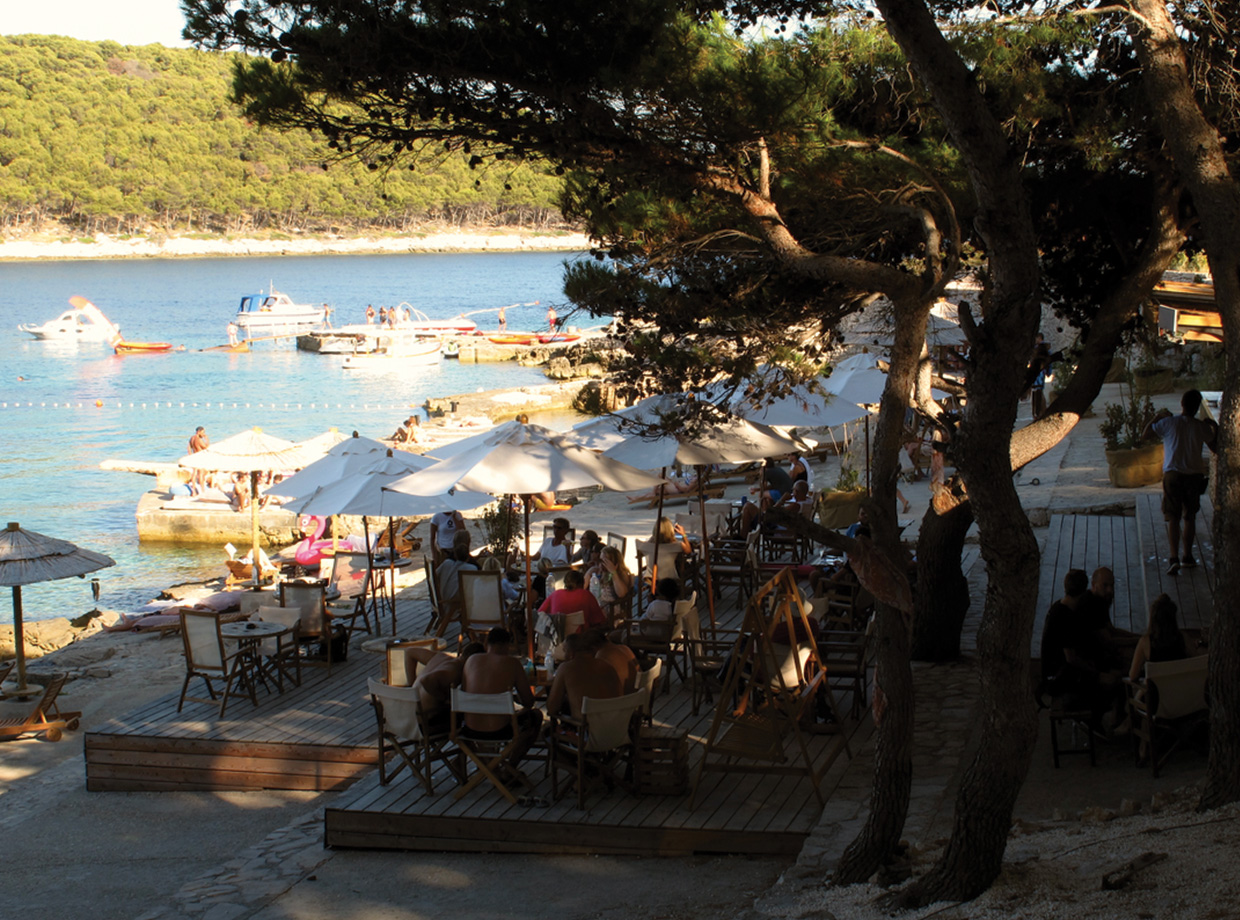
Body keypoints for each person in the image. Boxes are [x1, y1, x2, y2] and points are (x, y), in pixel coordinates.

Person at [1143, 389, 1218, 575]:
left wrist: (1157, 417)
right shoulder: (1200, 427)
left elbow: (1145, 435)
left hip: (1172, 475)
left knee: (1173, 517)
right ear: (1197, 406)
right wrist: (1214, 427)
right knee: (1189, 517)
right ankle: (1187, 556)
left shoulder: (1169, 423)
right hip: (1194, 477)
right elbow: (1216, 447)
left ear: (1182, 404)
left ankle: (1173, 557)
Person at [459, 627, 542, 771]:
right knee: (536, 716)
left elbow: (466, 693)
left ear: (486, 644)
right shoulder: (512, 664)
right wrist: (511, 699)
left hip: (469, 728)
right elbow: (529, 701)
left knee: (485, 712)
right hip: (500, 729)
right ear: (507, 646)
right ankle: (510, 766)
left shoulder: (471, 660)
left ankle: (488, 764)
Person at [402, 643, 484, 732]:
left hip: (407, 714)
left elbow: (410, 652)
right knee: (469, 719)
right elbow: (427, 680)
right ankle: (470, 743)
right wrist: (444, 698)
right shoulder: (454, 671)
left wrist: (411, 688)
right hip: (423, 721)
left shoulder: (441, 657)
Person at [546, 631, 623, 720]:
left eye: (564, 651)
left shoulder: (566, 668)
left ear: (571, 654)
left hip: (586, 729)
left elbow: (552, 709)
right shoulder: (607, 665)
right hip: (616, 726)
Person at [539, 569, 607, 629]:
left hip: (557, 638)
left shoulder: (555, 594)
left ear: (565, 583)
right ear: (582, 583)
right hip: (581, 639)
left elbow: (540, 614)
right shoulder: (586, 595)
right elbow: (600, 621)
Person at [587, 544, 634, 622]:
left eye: (605, 561)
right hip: (598, 606)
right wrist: (589, 573)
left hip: (612, 610)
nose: (601, 564)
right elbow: (583, 586)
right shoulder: (599, 572)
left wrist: (613, 572)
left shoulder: (621, 574)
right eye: (601, 560)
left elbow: (622, 594)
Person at [591, 627, 639, 694]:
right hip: (639, 693)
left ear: (593, 648)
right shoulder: (624, 648)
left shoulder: (601, 656)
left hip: (626, 699)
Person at [437, 544, 478, 616]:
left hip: (441, 600)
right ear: (468, 557)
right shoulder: (471, 569)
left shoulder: (447, 563)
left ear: (455, 555)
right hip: (454, 603)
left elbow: (435, 576)